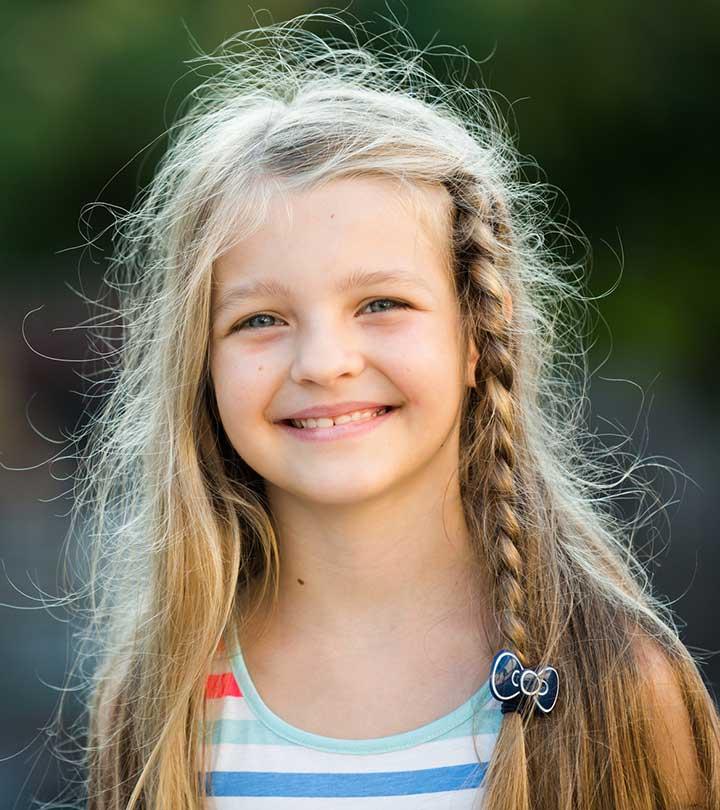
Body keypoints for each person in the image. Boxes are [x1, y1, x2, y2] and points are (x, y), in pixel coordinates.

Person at [52, 10, 719, 810]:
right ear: (201, 362)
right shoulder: (157, 706)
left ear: (479, 336)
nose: (325, 362)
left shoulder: (613, 686)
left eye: (381, 303)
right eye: (259, 319)